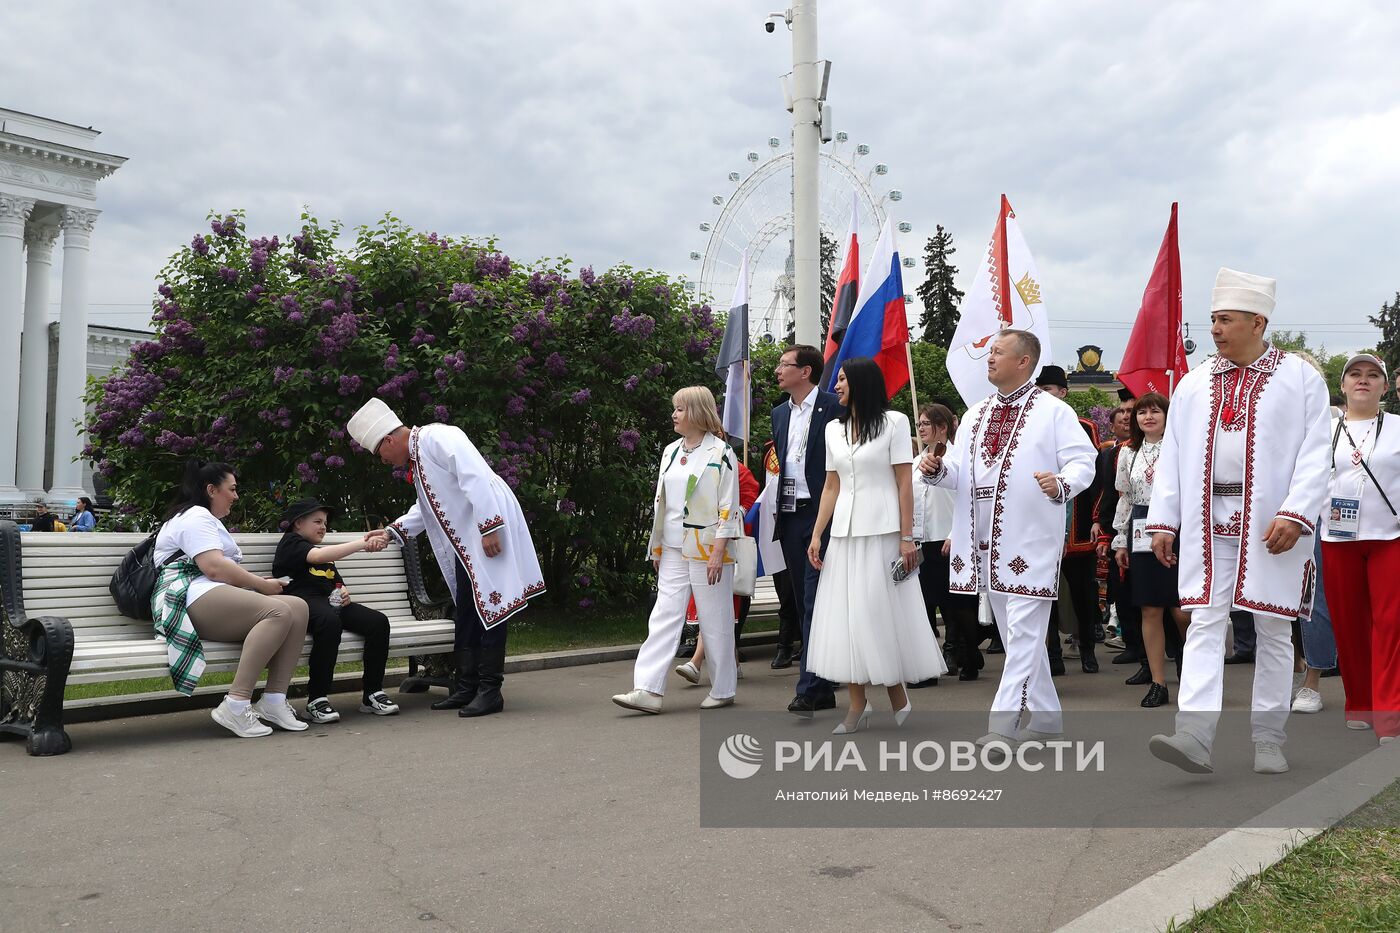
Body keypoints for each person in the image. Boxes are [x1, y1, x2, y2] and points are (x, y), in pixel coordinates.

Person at [1146, 268, 1330, 776]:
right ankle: (1194, 735)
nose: (1215, 330)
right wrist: (1164, 519)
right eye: (1212, 320)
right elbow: (1173, 454)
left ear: (1257, 321)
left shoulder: (1299, 376)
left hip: (1274, 525)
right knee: (1205, 621)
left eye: (1224, 319)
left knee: (1272, 627)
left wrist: (1296, 513)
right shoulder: (1195, 382)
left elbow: (1317, 453)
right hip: (1209, 524)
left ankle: (1268, 739)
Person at [920, 330, 1097, 746]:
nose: (989, 357)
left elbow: (1083, 460)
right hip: (982, 541)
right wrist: (937, 471)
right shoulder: (977, 414)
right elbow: (961, 473)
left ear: (1024, 361)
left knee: (1023, 631)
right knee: (1019, 634)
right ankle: (1048, 718)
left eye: (998, 351)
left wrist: (1061, 484)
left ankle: (1003, 726)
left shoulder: (1052, 411)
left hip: (1029, 538)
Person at [354, 399, 545, 718]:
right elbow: (425, 510)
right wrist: (390, 532)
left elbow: (475, 476)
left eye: (380, 454)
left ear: (388, 440)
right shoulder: (420, 456)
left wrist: (490, 526)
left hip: (486, 528)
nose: (383, 461)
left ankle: (490, 690)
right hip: (469, 539)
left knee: (492, 605)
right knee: (469, 608)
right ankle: (467, 686)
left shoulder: (438, 437)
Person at [807, 358, 945, 733]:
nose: (836, 386)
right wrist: (818, 534)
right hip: (844, 537)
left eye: (842, 380)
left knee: (875, 614)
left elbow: (904, 482)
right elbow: (831, 485)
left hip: (883, 534)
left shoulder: (895, 423)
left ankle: (896, 692)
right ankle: (857, 704)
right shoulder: (833, 430)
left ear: (862, 384)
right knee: (846, 619)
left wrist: (906, 536)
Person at [151, 459, 310, 738]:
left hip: (205, 593)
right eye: (232, 489)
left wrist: (260, 586)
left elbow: (218, 570)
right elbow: (214, 567)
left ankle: (273, 700)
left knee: (297, 607)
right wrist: (260, 585)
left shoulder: (204, 519)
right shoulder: (195, 517)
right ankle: (235, 704)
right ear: (212, 490)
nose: (236, 496)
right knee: (278, 612)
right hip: (184, 597)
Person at [612, 386, 741, 713]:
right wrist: (656, 548)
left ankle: (724, 688)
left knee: (715, 619)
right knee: (664, 615)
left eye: (680, 409)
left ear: (697, 412)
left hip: (708, 548)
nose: (674, 414)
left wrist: (718, 548)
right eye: (675, 408)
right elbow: (663, 503)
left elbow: (728, 506)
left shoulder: (721, 453)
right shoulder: (670, 451)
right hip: (671, 547)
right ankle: (648, 689)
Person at [1320, 353, 1400, 742]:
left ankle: (1390, 714)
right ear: (1344, 384)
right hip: (1339, 539)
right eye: (1356, 374)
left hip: (1390, 538)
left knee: (1390, 625)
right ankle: (1360, 703)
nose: (1363, 380)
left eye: (1373, 375)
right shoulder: (1325, 429)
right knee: (1349, 625)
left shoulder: (1398, 427)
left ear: (1385, 387)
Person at [272, 498, 400, 723]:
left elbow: (334, 578)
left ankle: (372, 693)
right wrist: (363, 542)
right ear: (298, 523)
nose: (323, 526)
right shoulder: (291, 543)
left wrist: (344, 592)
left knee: (378, 622)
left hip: (328, 603)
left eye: (325, 522)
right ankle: (316, 699)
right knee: (330, 622)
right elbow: (319, 557)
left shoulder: (317, 549)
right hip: (302, 604)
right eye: (317, 521)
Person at [770, 344, 844, 716]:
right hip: (791, 513)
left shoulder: (834, 407)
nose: (778, 370)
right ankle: (825, 683)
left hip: (823, 515)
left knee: (816, 600)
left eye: (785, 365)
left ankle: (810, 687)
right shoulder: (778, 413)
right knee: (802, 603)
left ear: (806, 372)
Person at [1111, 392, 1188, 707]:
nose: (1148, 417)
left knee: (1182, 609)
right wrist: (1119, 539)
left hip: (1177, 527)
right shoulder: (1128, 453)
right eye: (1142, 413)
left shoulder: (1180, 449)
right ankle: (1158, 682)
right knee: (1150, 608)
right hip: (1140, 530)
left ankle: (1190, 666)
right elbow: (1125, 498)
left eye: (1155, 411)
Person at [1036, 365, 1103, 674]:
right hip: (1042, 528)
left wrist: (1096, 519)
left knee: (1083, 593)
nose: (1042, 396)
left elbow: (1096, 478)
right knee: (1043, 595)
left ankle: (1088, 648)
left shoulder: (1085, 427)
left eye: (1048, 390)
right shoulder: (1032, 428)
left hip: (1077, 526)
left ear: (1062, 392)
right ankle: (1052, 655)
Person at [677, 449, 759, 684]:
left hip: (725, 547)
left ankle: (696, 662)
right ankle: (732, 664)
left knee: (714, 607)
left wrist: (734, 516)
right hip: (701, 543)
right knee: (712, 607)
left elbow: (749, 494)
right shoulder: (693, 465)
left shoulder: (732, 464)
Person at [914, 402, 982, 682]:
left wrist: (956, 534)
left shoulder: (958, 458)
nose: (920, 429)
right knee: (925, 603)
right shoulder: (918, 460)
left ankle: (969, 655)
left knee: (957, 604)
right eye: (918, 424)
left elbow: (969, 501)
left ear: (942, 427)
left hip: (951, 539)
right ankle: (930, 663)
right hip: (923, 539)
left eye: (926, 424)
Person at [1096, 396, 1146, 666]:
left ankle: (1172, 648)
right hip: (1125, 528)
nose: (1127, 416)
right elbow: (1110, 494)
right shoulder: (1117, 453)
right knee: (1123, 589)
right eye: (1124, 411)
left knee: (1157, 596)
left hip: (1160, 528)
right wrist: (1106, 533)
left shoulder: (1169, 447)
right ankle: (1133, 644)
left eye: (1133, 410)